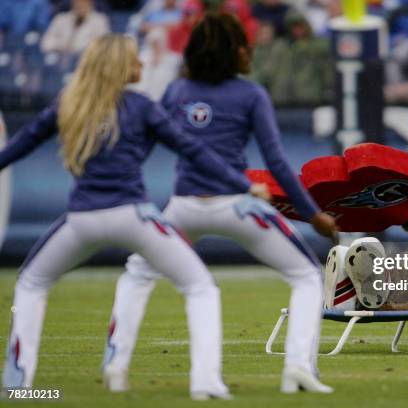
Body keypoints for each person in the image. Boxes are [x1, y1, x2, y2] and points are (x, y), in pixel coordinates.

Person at [0, 34, 267, 400]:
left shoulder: (69, 103)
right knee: (200, 287)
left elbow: (23, 142)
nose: (141, 65)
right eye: (135, 60)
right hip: (133, 215)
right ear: (120, 65)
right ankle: (204, 381)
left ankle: (18, 387)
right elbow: (191, 149)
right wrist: (242, 184)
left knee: (30, 284)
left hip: (81, 220)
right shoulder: (140, 105)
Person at [107, 13, 338, 394]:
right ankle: (298, 367)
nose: (250, 51)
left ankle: (115, 363)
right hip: (237, 205)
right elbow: (277, 163)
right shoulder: (250, 94)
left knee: (137, 272)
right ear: (235, 52)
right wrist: (312, 214)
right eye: (245, 46)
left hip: (182, 207)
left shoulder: (176, 92)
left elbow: (143, 148)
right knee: (306, 276)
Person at [41, 0, 110, 54]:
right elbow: (45, 43)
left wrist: (75, 49)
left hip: (87, 61)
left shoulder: (100, 21)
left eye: (83, 2)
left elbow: (103, 47)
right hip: (60, 61)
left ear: (90, 2)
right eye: (77, 2)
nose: (79, 5)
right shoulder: (61, 18)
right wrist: (61, 47)